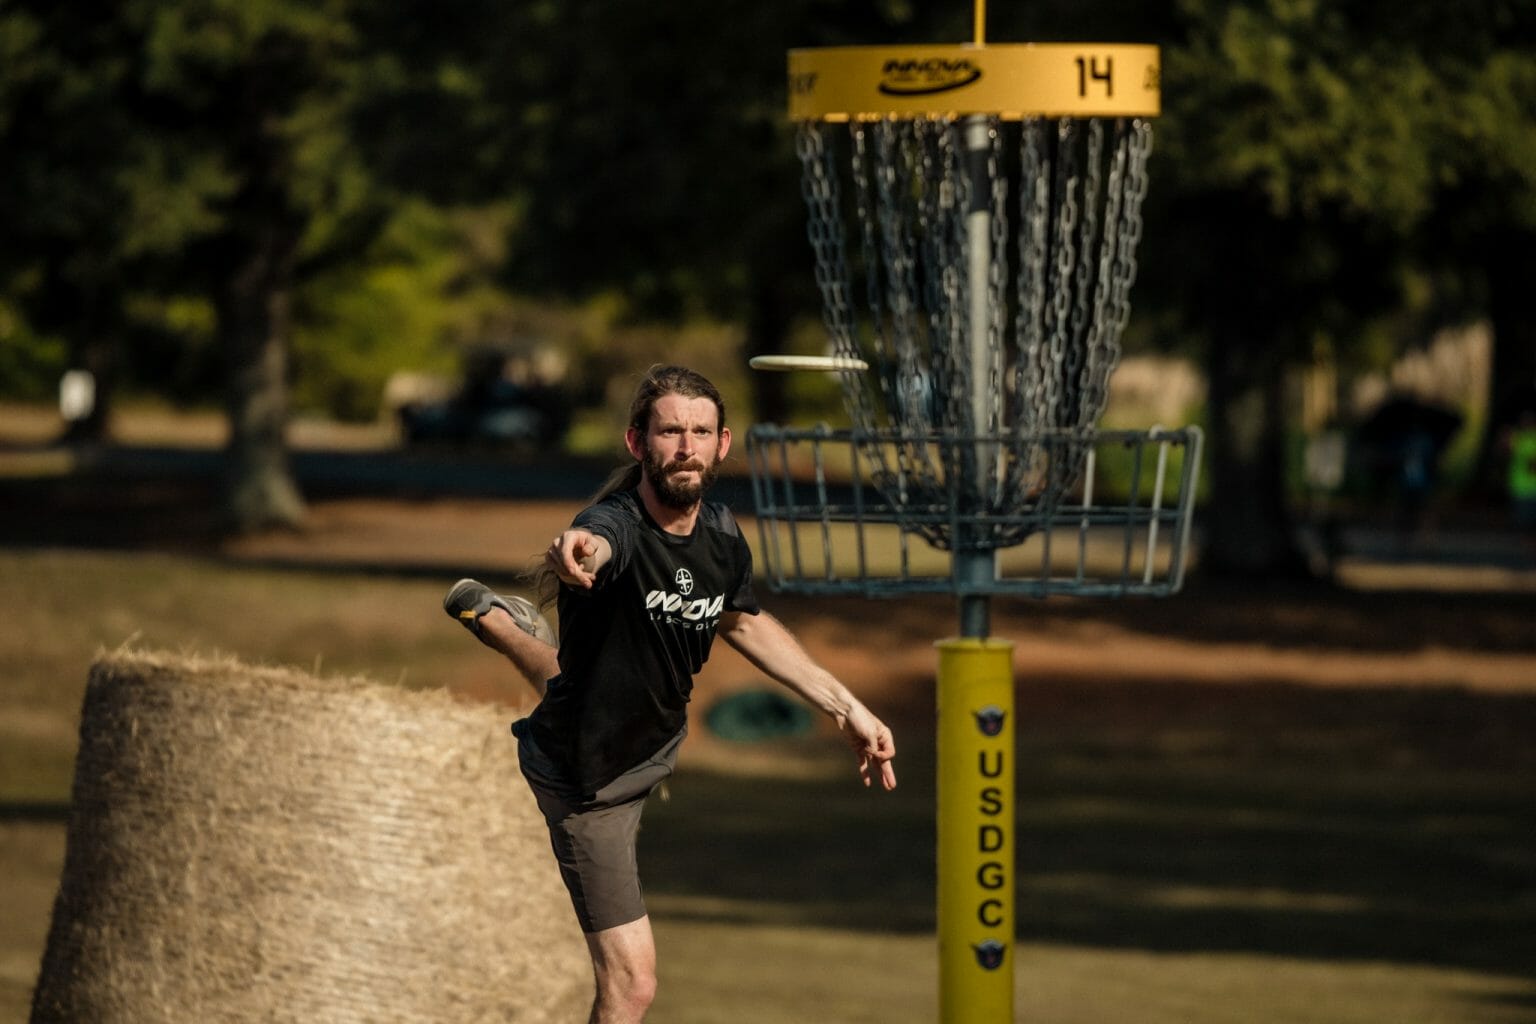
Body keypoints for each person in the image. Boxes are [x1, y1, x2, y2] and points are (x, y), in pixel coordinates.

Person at [442, 364, 898, 1024]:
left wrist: (847, 706)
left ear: (722, 444)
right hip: (587, 782)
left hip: (643, 738)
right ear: (637, 443)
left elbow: (742, 620)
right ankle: (502, 625)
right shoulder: (617, 525)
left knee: (564, 680)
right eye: (669, 431)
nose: (685, 445)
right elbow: (595, 541)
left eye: (699, 431)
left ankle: (494, 617)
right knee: (632, 988)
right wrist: (579, 549)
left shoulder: (720, 535)